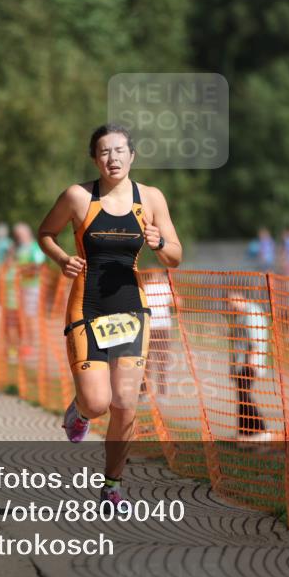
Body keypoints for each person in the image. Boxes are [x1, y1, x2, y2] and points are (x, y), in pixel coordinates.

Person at [37, 123, 182, 508]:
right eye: (104, 152)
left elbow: (175, 257)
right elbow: (45, 234)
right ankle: (81, 410)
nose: (112, 158)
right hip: (87, 307)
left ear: (132, 156)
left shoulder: (150, 198)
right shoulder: (78, 197)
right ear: (94, 158)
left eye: (120, 151)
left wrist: (160, 242)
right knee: (99, 402)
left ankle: (112, 485)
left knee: (125, 402)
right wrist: (63, 259)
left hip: (132, 309)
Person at [227, 290, 273, 442]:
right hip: (240, 363)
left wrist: (252, 362)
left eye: (231, 300)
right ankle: (245, 433)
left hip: (249, 363)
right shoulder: (240, 315)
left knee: (245, 396)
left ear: (239, 296)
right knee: (241, 396)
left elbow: (256, 339)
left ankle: (261, 431)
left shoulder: (252, 312)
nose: (229, 305)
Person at [13, 222, 47, 356]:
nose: (18, 237)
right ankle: (23, 342)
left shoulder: (35, 247)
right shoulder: (19, 248)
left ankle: (31, 344)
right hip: (19, 287)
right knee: (20, 317)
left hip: (33, 287)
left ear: (27, 233)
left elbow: (38, 267)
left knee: (30, 316)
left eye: (20, 234)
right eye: (17, 235)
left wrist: (23, 271)